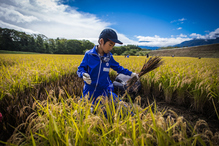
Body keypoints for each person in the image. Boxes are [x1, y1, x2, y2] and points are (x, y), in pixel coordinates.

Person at [77, 28, 138, 108]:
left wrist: (131, 74)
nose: (111, 48)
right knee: (87, 112)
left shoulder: (109, 57)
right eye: (110, 44)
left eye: (113, 46)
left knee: (120, 109)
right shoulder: (89, 55)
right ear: (101, 41)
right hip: (89, 91)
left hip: (103, 91)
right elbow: (80, 69)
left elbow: (118, 68)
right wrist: (83, 74)